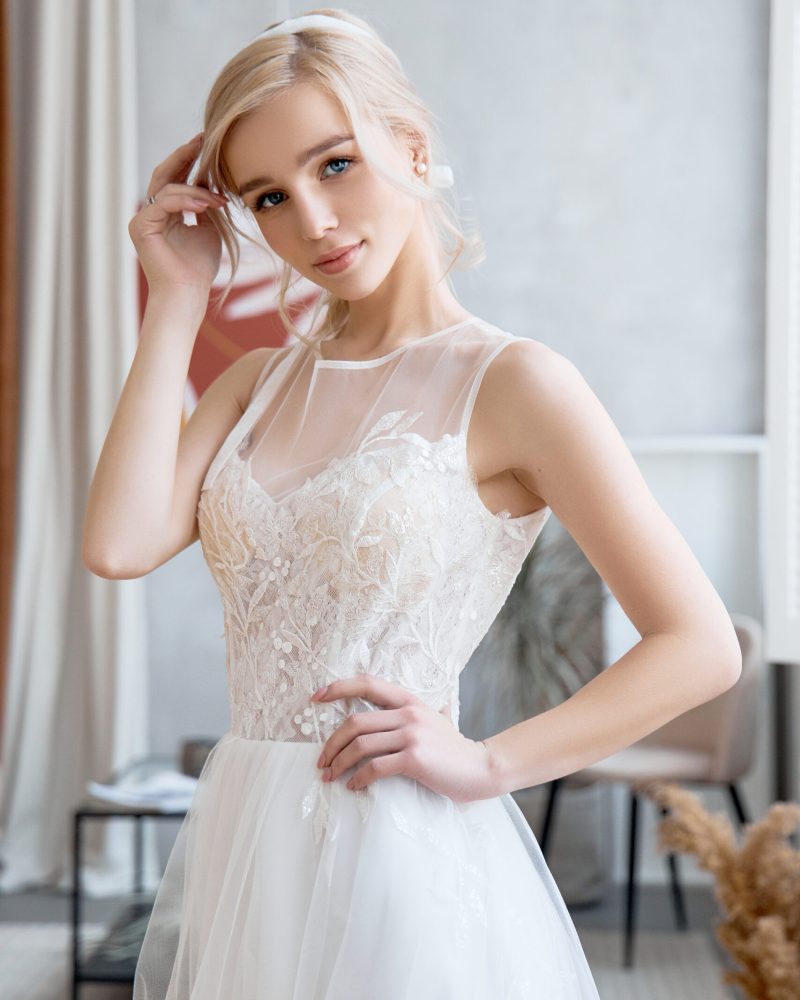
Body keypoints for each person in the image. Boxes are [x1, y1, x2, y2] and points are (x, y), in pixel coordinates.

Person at [83, 8, 742, 998]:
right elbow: (119, 543)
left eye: (334, 163)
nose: (309, 221)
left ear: (412, 146)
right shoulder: (254, 382)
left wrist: (487, 762)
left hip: (398, 840)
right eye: (267, 196)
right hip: (248, 839)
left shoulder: (515, 383)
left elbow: (697, 643)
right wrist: (176, 297)